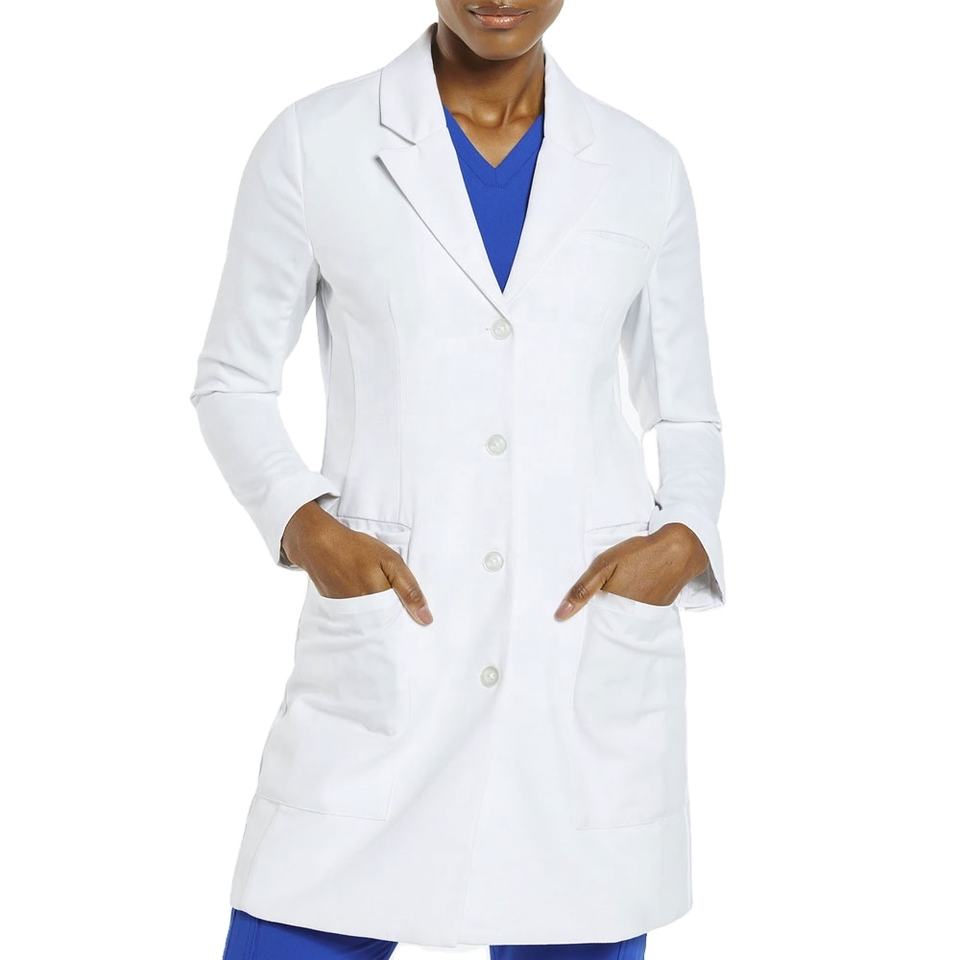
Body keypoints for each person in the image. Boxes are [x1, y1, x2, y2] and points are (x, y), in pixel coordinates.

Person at [190, 3, 725, 958]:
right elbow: (231, 381)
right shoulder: (316, 144)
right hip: (392, 647)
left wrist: (682, 536)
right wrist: (308, 526)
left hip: (576, 650)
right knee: (296, 915)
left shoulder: (643, 168)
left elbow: (684, 410)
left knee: (574, 910)